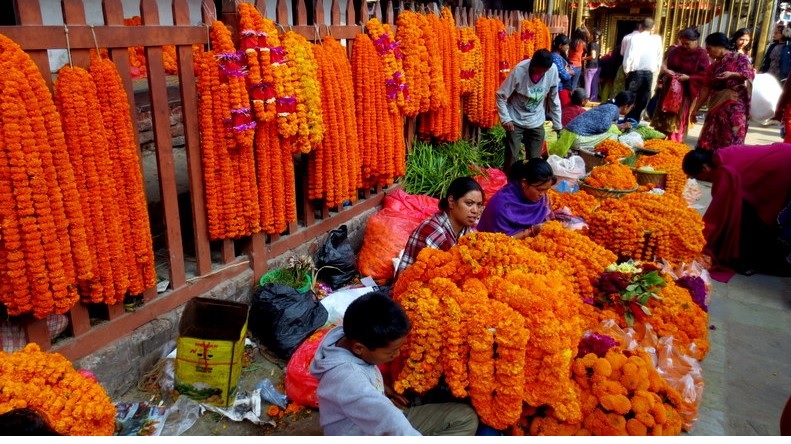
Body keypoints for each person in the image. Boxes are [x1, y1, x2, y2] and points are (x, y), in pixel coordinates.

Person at [309, 290, 479, 436]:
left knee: (465, 418)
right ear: (359, 348)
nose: (397, 355)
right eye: (391, 352)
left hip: (375, 418)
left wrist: (381, 390)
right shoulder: (347, 379)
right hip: (364, 432)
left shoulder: (344, 335)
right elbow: (388, 420)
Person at [681, 145, 791, 277]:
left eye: (701, 177)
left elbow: (718, 212)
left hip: (783, 166)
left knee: (758, 218)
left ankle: (766, 261)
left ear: (705, 168)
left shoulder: (725, 171)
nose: (705, 180)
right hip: (782, 154)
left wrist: (702, 238)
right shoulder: (722, 154)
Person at [395, 177, 484, 277]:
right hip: (414, 287)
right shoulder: (432, 232)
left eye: (479, 205)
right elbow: (433, 278)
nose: (475, 210)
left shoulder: (469, 230)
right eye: (469, 203)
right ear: (451, 201)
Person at [495, 48, 562, 171]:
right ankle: (511, 183)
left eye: (544, 71)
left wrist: (558, 124)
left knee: (535, 161)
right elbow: (501, 95)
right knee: (512, 157)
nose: (541, 73)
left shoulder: (552, 70)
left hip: (536, 119)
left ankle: (531, 184)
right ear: (532, 64)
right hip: (515, 118)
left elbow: (554, 98)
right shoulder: (519, 71)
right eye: (538, 70)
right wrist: (505, 119)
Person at [691, 32, 755, 152]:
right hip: (716, 107)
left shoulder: (740, 58)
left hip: (734, 107)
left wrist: (732, 75)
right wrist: (695, 110)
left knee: (732, 140)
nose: (708, 52)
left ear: (720, 46)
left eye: (709, 48)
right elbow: (705, 88)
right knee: (710, 141)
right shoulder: (713, 67)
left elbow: (748, 74)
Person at [650, 27, 710, 142]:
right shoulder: (675, 51)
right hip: (669, 88)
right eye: (682, 43)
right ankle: (659, 140)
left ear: (695, 41)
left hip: (685, 91)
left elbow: (705, 75)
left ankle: (675, 141)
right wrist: (667, 71)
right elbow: (664, 66)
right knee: (664, 114)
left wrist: (689, 78)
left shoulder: (701, 55)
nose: (684, 46)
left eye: (687, 43)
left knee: (678, 117)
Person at [476, 158, 561, 239]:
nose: (542, 194)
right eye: (539, 190)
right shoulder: (501, 206)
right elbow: (501, 242)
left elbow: (548, 221)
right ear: (524, 183)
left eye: (546, 190)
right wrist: (531, 231)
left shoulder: (541, 198)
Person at [549, 91, 636, 157]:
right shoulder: (613, 109)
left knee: (613, 128)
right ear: (626, 106)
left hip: (569, 134)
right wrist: (621, 126)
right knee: (613, 134)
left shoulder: (608, 106)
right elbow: (603, 126)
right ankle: (601, 157)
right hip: (576, 138)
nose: (631, 109)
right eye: (631, 107)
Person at [621, 17, 664, 122]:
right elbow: (659, 56)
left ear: (641, 26)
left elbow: (628, 56)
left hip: (635, 73)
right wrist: (657, 71)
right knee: (643, 99)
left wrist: (626, 70)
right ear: (653, 27)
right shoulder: (657, 39)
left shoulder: (634, 38)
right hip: (649, 73)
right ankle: (635, 120)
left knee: (631, 98)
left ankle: (629, 120)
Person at [550, 34, 576, 106]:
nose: (568, 47)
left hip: (563, 87)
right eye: (566, 45)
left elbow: (569, 69)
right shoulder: (555, 57)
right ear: (560, 46)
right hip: (559, 88)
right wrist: (570, 72)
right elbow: (564, 75)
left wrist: (569, 71)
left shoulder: (560, 56)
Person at [568, 27, 589, 91]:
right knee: (574, 85)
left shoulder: (571, 42)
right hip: (578, 65)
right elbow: (586, 51)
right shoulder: (583, 44)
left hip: (569, 64)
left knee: (568, 84)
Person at [584, 29, 602, 101]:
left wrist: (583, 58)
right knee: (594, 83)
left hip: (590, 66)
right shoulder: (598, 44)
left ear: (592, 35)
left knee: (588, 83)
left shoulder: (592, 44)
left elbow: (593, 56)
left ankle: (586, 98)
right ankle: (594, 99)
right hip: (597, 66)